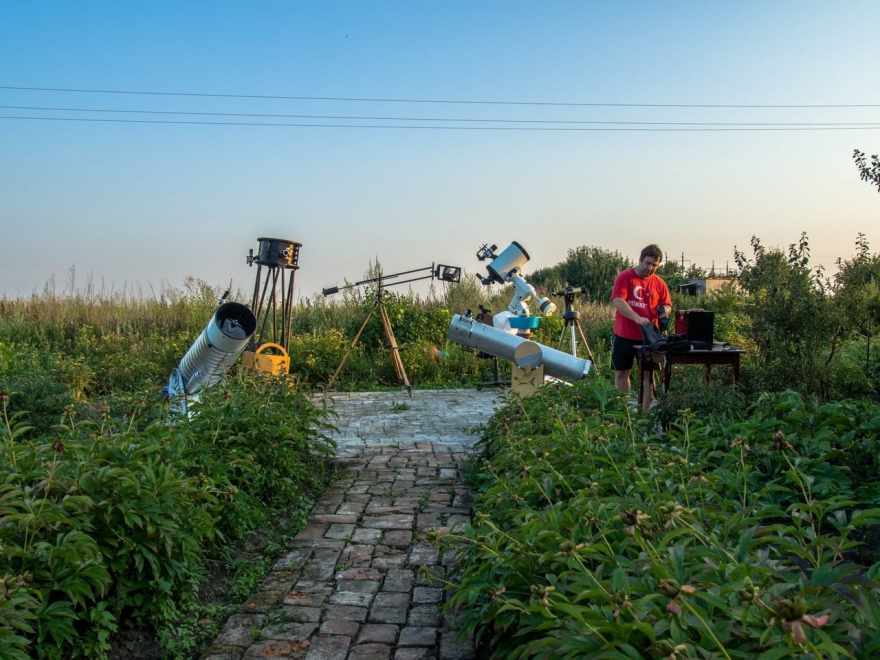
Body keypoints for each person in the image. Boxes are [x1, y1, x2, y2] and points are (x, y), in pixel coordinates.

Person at [610, 244, 672, 410]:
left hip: (649, 339)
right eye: (647, 263)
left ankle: (645, 413)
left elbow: (667, 304)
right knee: (622, 373)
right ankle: (624, 412)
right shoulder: (625, 277)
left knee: (648, 375)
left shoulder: (659, 283)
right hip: (625, 334)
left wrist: (665, 310)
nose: (650, 268)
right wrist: (636, 318)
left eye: (654, 265)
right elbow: (618, 300)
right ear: (640, 260)